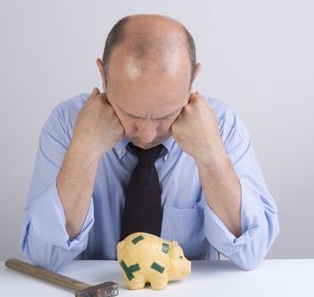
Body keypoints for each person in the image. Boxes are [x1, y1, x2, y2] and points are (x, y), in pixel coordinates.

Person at [20, 14, 279, 272]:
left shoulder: (222, 127)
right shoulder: (67, 124)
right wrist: (83, 151)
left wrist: (212, 158)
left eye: (165, 115)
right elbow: (45, 256)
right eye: (130, 114)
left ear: (193, 78)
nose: (146, 135)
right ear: (103, 75)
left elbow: (252, 252)